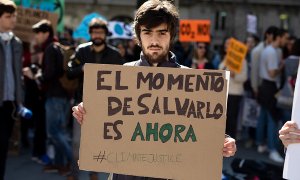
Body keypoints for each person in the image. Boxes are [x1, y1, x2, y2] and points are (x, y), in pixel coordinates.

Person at [72, 0, 236, 179]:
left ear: (172, 34)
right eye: (147, 32)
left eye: (162, 32)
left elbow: (203, 127)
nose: (154, 40)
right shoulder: (121, 76)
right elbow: (102, 119)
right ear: (138, 36)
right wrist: (88, 112)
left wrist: (224, 141)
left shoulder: (193, 81)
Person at [67, 18, 124, 180]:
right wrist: (82, 69)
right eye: (94, 32)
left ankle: (94, 172)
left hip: (106, 105)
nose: (97, 35)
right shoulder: (81, 50)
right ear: (90, 33)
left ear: (105, 34)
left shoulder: (114, 55)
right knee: (78, 141)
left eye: (100, 32)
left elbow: (124, 79)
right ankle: (74, 173)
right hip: (82, 101)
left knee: (99, 141)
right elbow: (69, 72)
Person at [0, 1, 23, 179]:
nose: (13, 19)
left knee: (3, 147)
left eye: (14, 16)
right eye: (8, 16)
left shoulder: (16, 42)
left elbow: (16, 73)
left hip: (9, 104)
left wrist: (19, 101)